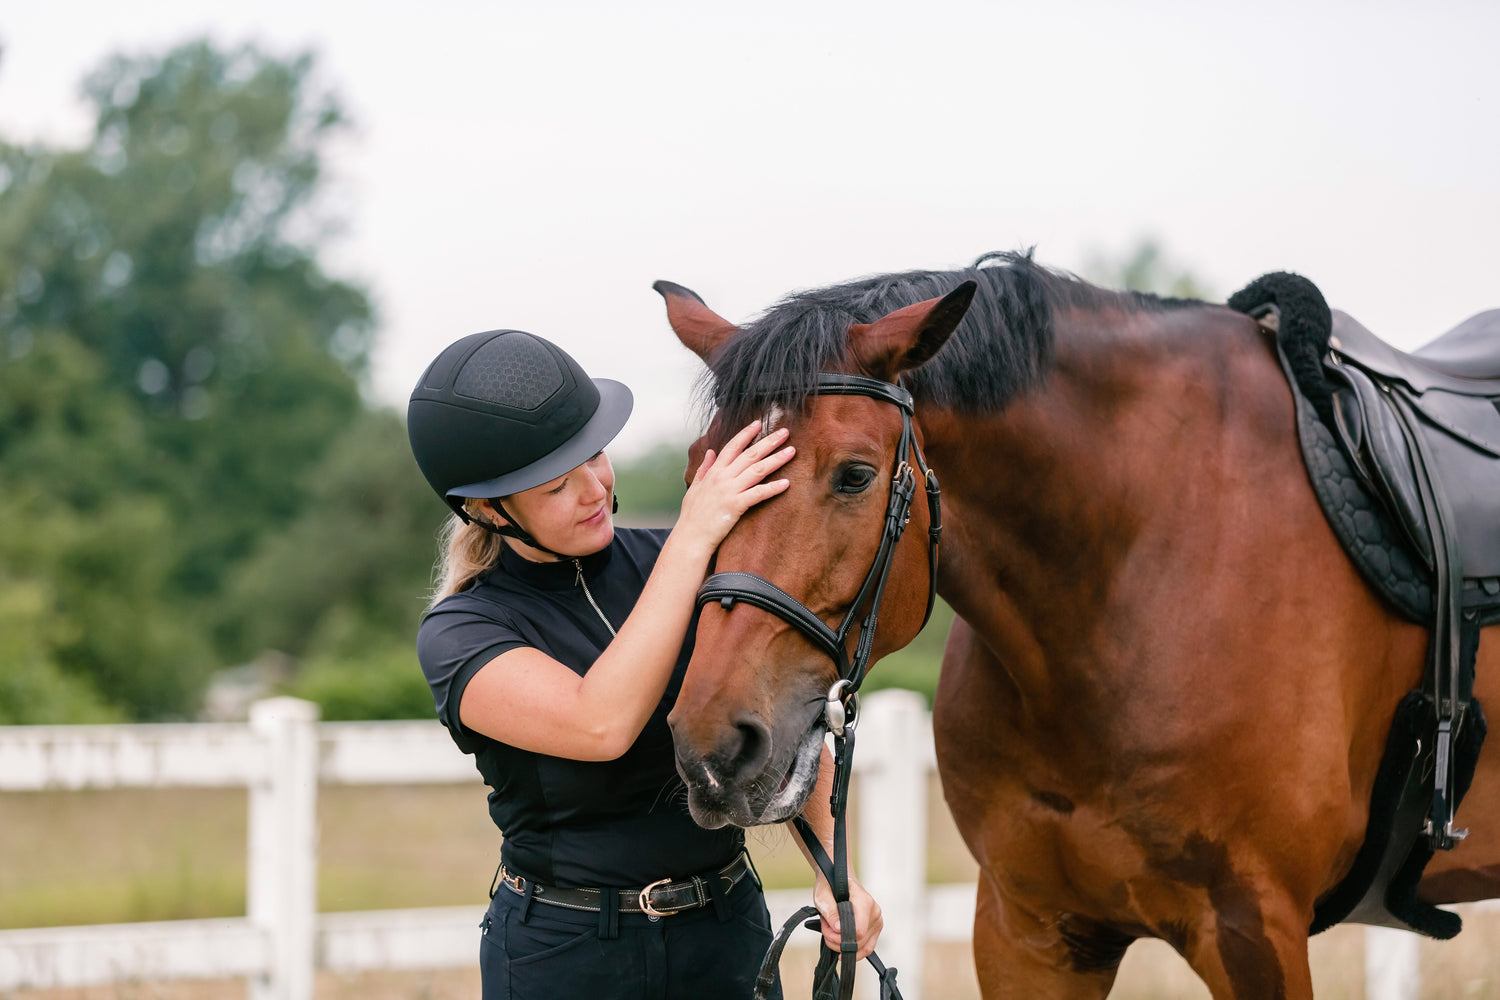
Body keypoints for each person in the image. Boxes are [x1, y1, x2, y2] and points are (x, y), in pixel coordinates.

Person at [407, 329, 882, 1000]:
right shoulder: (463, 632)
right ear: (490, 510)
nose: (594, 488)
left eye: (595, 456)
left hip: (725, 936)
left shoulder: (685, 561)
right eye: (556, 487)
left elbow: (787, 712)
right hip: (566, 956)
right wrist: (692, 539)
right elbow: (599, 724)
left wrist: (839, 876)